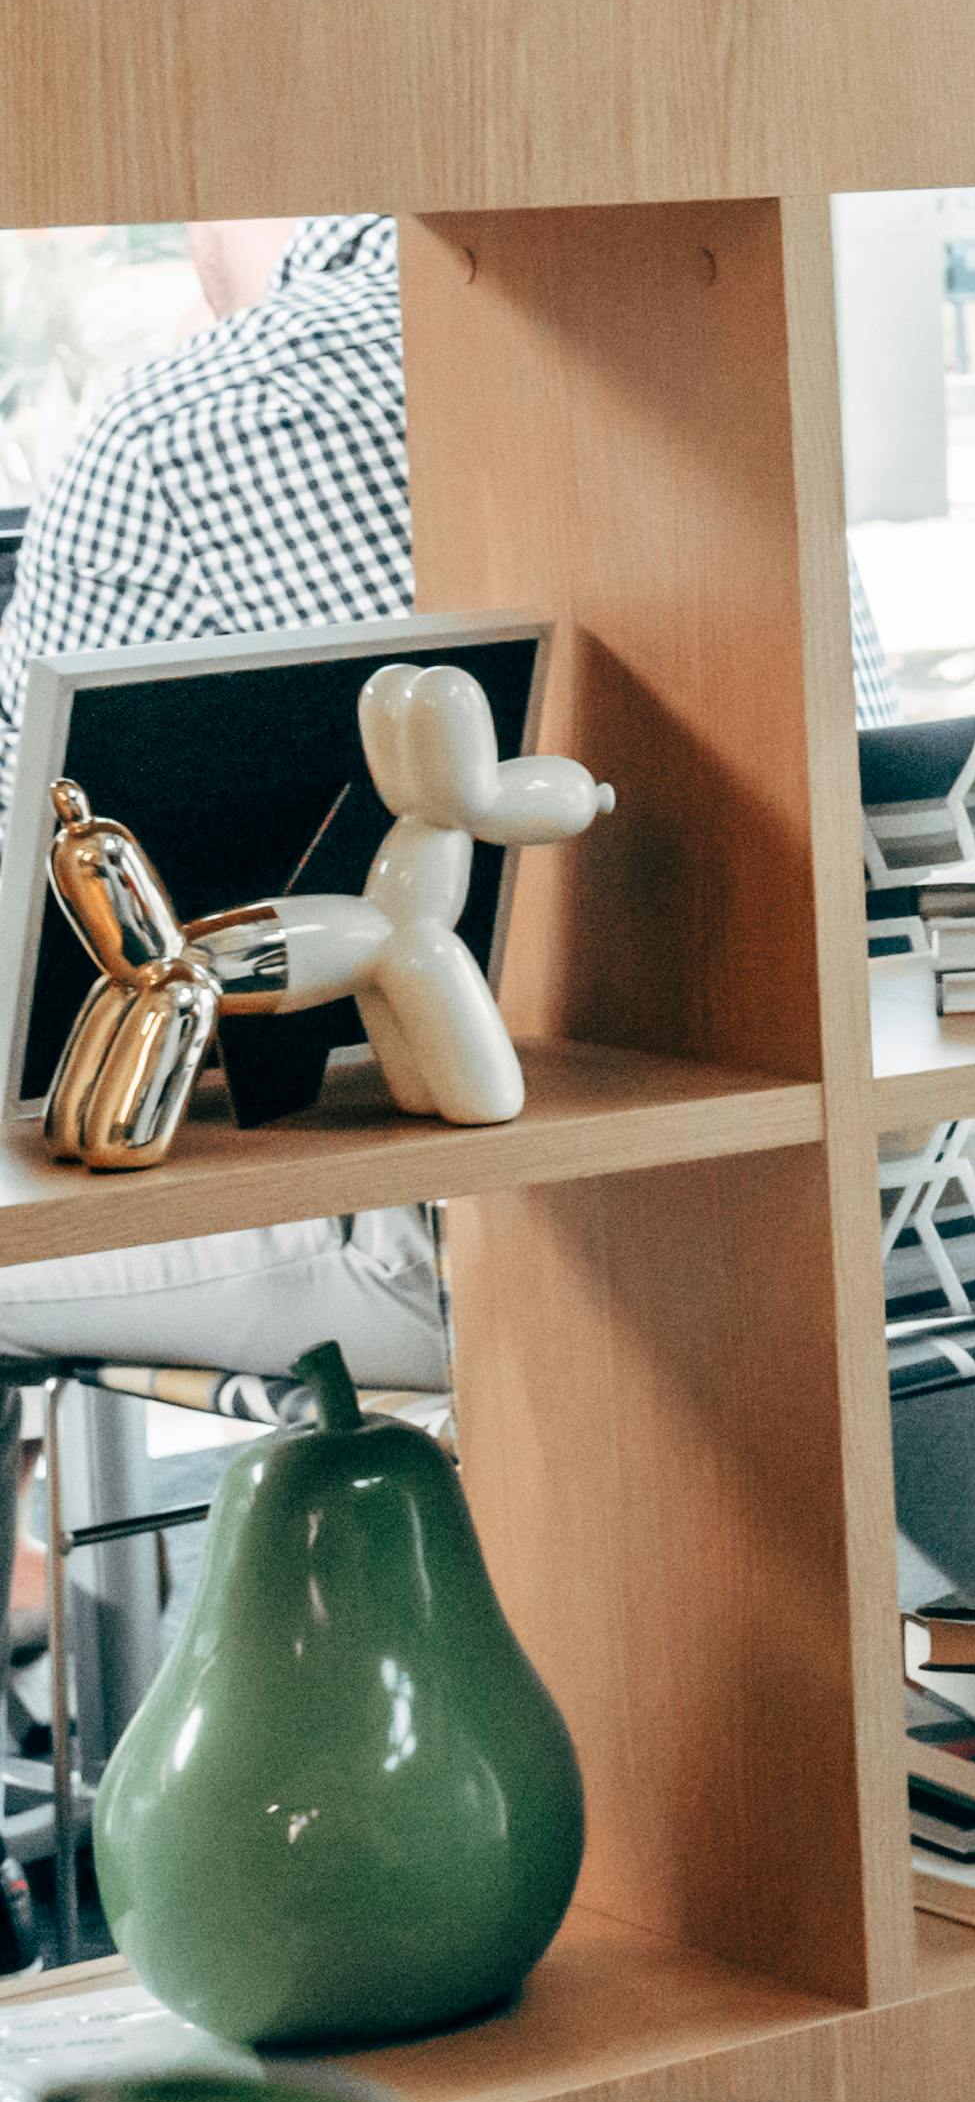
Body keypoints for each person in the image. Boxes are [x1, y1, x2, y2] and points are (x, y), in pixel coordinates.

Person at [1, 214, 904, 1387]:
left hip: (499, 1237)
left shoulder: (184, 423)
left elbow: (31, 893)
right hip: (898, 1194)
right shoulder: (690, 335)